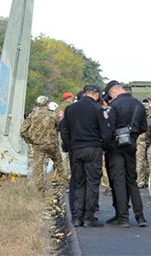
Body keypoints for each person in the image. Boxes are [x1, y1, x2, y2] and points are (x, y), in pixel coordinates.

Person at [60, 85, 109, 227]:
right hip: (93, 148)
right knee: (92, 182)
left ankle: (76, 217)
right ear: (97, 94)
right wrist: (104, 147)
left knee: (79, 182)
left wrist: (70, 146)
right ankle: (89, 217)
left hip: (76, 149)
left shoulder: (71, 109)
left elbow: (63, 129)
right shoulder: (98, 109)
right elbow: (105, 132)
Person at [102, 80, 148, 228]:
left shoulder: (114, 106)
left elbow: (109, 128)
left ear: (113, 92)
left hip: (115, 146)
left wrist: (106, 145)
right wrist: (132, 136)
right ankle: (140, 217)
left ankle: (123, 217)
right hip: (131, 145)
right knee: (132, 180)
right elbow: (143, 127)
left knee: (118, 181)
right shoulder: (139, 105)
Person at [20, 96, 64, 191]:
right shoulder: (53, 115)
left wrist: (30, 140)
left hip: (38, 145)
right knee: (59, 163)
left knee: (38, 167)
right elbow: (61, 126)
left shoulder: (32, 116)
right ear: (47, 103)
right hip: (52, 145)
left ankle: (40, 189)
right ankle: (67, 183)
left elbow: (23, 131)